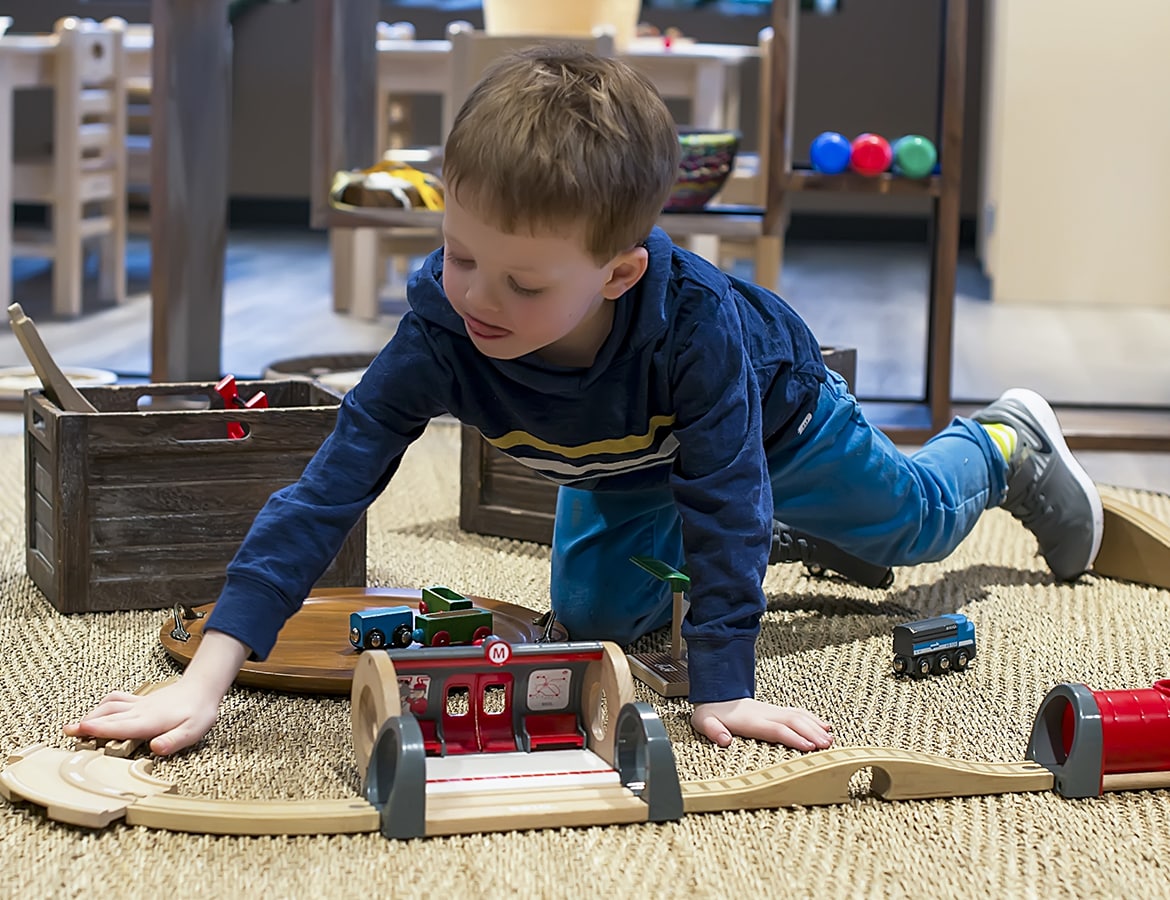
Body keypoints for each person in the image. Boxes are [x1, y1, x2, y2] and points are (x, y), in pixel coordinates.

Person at [65, 46, 1102, 757]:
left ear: (618, 272)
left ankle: (1003, 442)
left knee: (911, 526)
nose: (477, 297)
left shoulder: (692, 327)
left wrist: (723, 685)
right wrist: (209, 674)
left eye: (523, 284)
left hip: (767, 425)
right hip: (618, 458)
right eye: (460, 255)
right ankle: (779, 540)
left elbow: (729, 489)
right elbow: (325, 491)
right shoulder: (442, 324)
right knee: (600, 618)